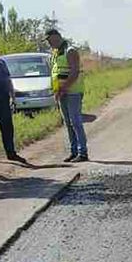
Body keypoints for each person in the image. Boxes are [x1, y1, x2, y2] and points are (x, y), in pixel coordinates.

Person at [46, 28, 87, 163]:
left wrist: (63, 88)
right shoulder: (56, 52)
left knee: (75, 122)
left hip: (73, 91)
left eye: (50, 40)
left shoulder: (70, 51)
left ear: (57, 37)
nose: (49, 43)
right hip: (61, 92)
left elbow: (74, 73)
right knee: (68, 123)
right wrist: (57, 90)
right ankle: (73, 151)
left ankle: (83, 153)